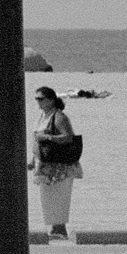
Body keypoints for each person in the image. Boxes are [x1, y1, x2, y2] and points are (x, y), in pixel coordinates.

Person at [31, 85, 83, 242]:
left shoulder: (59, 117)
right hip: (45, 164)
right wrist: (32, 160)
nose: (38, 102)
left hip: (59, 165)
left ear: (51, 100)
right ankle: (56, 229)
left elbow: (68, 137)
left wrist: (48, 138)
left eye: (41, 99)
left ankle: (60, 230)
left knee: (59, 196)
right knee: (48, 198)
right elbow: (36, 140)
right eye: (36, 99)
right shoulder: (43, 116)